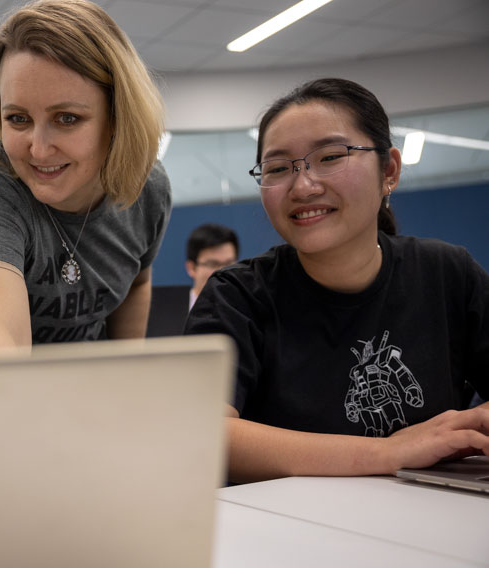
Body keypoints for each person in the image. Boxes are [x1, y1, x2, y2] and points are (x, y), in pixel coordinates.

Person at [185, 78, 489, 483]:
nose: (303, 185)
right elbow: (202, 435)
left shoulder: (447, 273)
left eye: (330, 157)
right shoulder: (235, 297)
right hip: (288, 528)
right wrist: (389, 451)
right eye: (277, 168)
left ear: (389, 171)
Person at [0, 0, 171, 348]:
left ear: (118, 116)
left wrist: (123, 381)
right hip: (0, 398)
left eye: (67, 119)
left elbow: (136, 279)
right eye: (18, 119)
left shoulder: (146, 187)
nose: (39, 150)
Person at [185, 223, 239, 312]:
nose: (222, 271)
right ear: (191, 268)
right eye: (212, 264)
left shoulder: (250, 311)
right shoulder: (163, 311)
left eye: (229, 263)